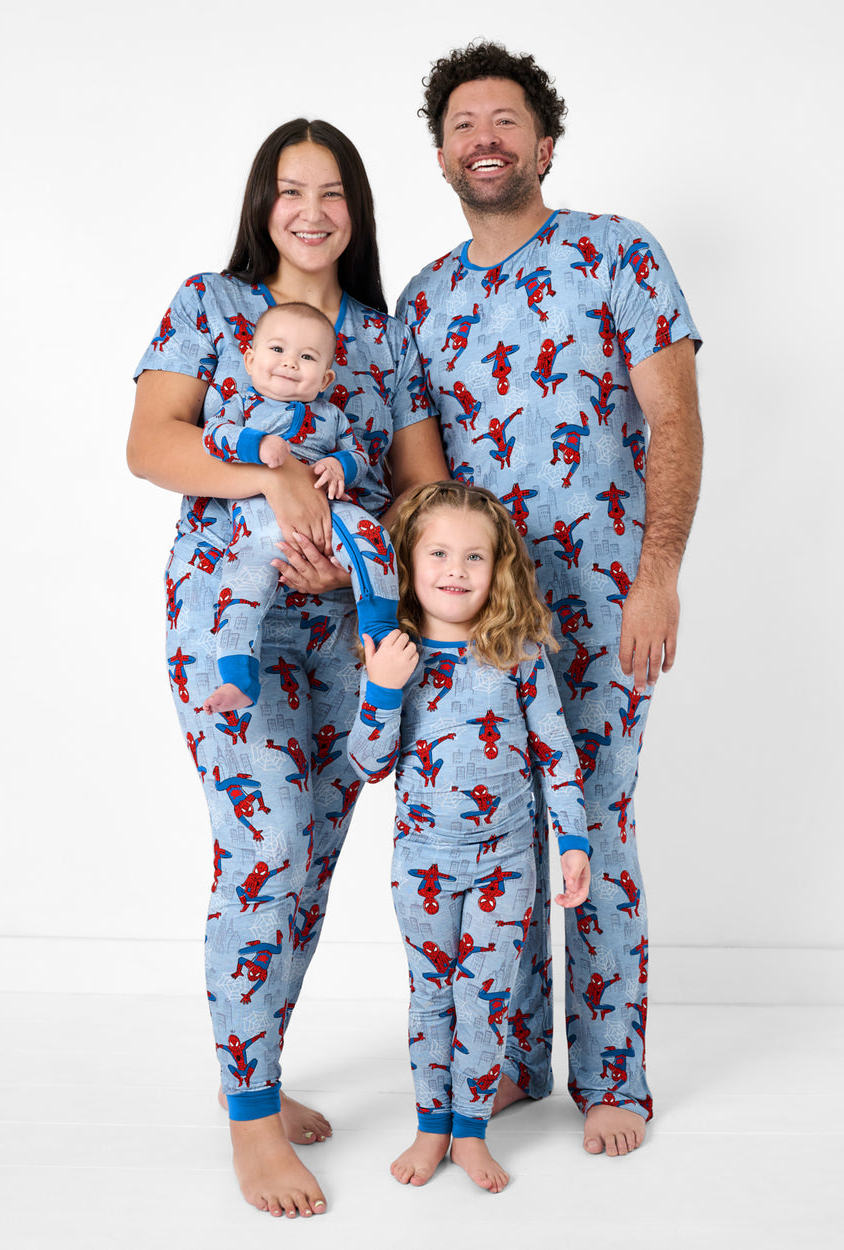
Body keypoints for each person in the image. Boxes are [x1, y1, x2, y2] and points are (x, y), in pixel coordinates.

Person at [127, 119, 449, 1219]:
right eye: (288, 189)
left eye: (332, 192)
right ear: (262, 201)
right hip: (227, 614)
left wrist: (361, 551)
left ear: (356, 208)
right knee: (262, 844)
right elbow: (151, 444)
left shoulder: (386, 333)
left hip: (339, 626)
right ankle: (251, 1118)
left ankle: (255, 1063)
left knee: (307, 855)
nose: (310, 210)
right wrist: (268, 484)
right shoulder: (209, 305)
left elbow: (419, 489)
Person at [398, 42, 703, 1158]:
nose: (486, 136)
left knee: (597, 827)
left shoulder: (617, 257)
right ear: (441, 154)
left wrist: (658, 572)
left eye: (506, 119)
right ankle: (504, 1062)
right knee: (494, 832)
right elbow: (422, 488)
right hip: (477, 628)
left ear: (544, 142)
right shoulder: (421, 302)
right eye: (464, 122)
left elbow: (672, 418)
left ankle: (611, 1075)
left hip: (608, 603)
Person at [347, 481, 592, 1193]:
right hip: (422, 862)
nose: (456, 569)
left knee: (484, 997)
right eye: (440, 553)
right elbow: (368, 764)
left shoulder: (515, 653)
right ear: (408, 562)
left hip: (506, 863)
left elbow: (556, 751)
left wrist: (572, 839)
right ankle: (432, 1128)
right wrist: (383, 688)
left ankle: (473, 1130)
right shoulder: (391, 652)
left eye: (475, 556)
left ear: (499, 569)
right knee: (432, 996)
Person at [199, 300, 398, 714]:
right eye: (277, 350)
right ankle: (237, 675)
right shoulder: (242, 406)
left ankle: (379, 624)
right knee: (242, 588)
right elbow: (213, 436)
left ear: (324, 377)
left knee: (372, 538)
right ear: (250, 361)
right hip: (258, 521)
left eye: (306, 357)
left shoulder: (332, 416)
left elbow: (359, 456)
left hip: (328, 511)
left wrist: (339, 464)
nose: (290, 363)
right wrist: (256, 445)